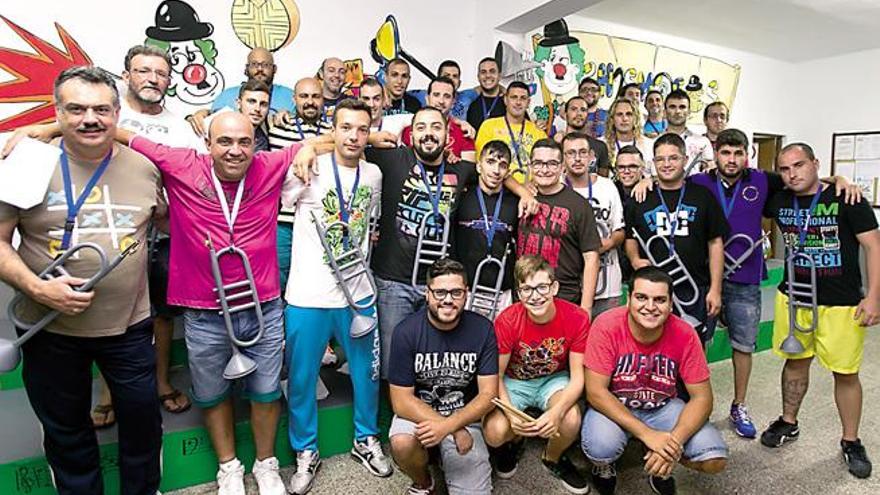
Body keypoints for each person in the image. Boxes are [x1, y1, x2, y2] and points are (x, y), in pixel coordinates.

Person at [120, 112, 315, 495]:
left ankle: (266, 465)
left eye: (244, 141)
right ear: (207, 144)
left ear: (255, 144)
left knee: (266, 390)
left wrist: (308, 147)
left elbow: (328, 139)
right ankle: (228, 467)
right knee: (212, 393)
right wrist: (45, 128)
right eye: (224, 141)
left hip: (262, 307)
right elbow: (121, 135)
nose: (235, 150)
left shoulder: (268, 164)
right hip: (204, 311)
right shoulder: (181, 162)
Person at [0, 66, 163, 495]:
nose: (90, 119)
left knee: (143, 428)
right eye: (75, 109)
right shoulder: (28, 160)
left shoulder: (147, 167)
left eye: (101, 109)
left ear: (117, 113)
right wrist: (37, 287)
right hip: (48, 326)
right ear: (58, 112)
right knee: (67, 433)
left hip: (129, 327)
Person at [281, 99, 391, 494]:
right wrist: (307, 147)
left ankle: (365, 438)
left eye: (362, 129)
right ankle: (305, 451)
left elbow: (369, 225)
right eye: (346, 127)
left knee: (366, 372)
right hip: (308, 292)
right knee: (302, 378)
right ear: (333, 128)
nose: (354, 136)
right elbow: (283, 204)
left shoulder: (375, 174)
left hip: (357, 291)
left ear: (369, 131)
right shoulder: (309, 166)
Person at [761, 143, 880, 479]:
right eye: (784, 169)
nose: (792, 174)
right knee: (795, 362)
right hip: (794, 297)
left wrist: (874, 297)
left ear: (815, 163)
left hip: (840, 303)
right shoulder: (779, 197)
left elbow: (874, 246)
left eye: (799, 165)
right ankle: (789, 421)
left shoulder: (847, 198)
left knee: (845, 372)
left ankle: (851, 440)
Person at [582, 267, 728, 495]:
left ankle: (660, 465)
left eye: (659, 300)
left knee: (714, 459)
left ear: (670, 305)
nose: (650, 307)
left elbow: (703, 398)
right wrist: (647, 434)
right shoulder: (606, 325)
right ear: (628, 299)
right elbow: (595, 392)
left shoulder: (685, 333)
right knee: (601, 448)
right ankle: (605, 467)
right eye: (641, 297)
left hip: (663, 406)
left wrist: (672, 446)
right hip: (615, 405)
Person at [388, 258, 499, 495]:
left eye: (456, 292)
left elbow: (489, 394)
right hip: (419, 414)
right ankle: (423, 482)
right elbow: (401, 401)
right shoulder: (406, 332)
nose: (448, 299)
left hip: (466, 417)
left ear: (466, 294)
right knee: (402, 442)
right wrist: (452, 429)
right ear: (427, 294)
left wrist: (453, 425)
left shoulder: (483, 329)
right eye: (439, 292)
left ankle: (444, 454)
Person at [484, 255, 591, 494]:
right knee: (494, 433)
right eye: (527, 289)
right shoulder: (508, 320)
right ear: (519, 293)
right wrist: (511, 416)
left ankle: (552, 457)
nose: (535, 296)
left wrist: (557, 411)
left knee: (571, 419)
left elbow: (578, 377)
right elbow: (496, 376)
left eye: (542, 287)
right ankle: (514, 442)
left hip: (552, 379)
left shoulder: (577, 317)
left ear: (554, 287)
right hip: (514, 380)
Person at [624, 133, 726, 344]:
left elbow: (715, 244)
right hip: (651, 291)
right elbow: (629, 236)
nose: (667, 164)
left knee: (693, 351)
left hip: (694, 288)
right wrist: (634, 259)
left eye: (673, 158)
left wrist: (716, 289)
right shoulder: (640, 196)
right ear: (653, 163)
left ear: (685, 160)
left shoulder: (703, 196)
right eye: (660, 159)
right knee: (649, 348)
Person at [518, 139, 601, 313]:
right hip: (524, 297)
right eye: (538, 163)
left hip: (565, 299)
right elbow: (500, 176)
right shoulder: (521, 198)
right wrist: (520, 190)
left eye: (552, 164)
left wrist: (586, 308)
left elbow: (591, 258)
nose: (545, 169)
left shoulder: (579, 205)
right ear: (530, 166)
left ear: (563, 167)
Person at [267, 77, 332, 291]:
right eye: (304, 96)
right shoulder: (277, 127)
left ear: (324, 99)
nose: (310, 101)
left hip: (319, 222)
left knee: (315, 282)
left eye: (316, 96)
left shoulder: (333, 128)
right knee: (280, 281)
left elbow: (345, 145)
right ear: (294, 99)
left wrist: (315, 146)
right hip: (284, 221)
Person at [563, 133, 625, 318]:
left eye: (582, 152)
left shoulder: (607, 187)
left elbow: (620, 231)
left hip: (608, 286)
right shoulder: (556, 186)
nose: (577, 158)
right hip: (569, 286)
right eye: (570, 153)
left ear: (591, 156)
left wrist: (604, 244)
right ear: (562, 158)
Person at [454, 140, 519, 317]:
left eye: (502, 165)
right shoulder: (462, 197)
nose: (496, 170)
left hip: (502, 292)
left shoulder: (515, 203)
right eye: (490, 162)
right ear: (478, 166)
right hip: (466, 290)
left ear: (507, 172)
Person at [187, 47, 294, 136]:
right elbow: (211, 120)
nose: (260, 69)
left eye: (265, 65)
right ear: (246, 69)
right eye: (254, 64)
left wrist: (288, 115)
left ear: (274, 69)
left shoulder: (290, 96)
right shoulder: (227, 95)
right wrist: (201, 113)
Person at [475, 81, 548, 182]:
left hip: (532, 190)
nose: (518, 102)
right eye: (514, 97)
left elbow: (545, 168)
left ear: (528, 103)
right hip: (499, 187)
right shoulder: (489, 126)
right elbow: (482, 164)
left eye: (523, 98)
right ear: (505, 100)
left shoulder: (539, 133)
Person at [401, 77, 476, 162]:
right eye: (436, 95)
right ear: (427, 99)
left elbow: (468, 170)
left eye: (447, 96)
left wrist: (455, 164)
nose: (441, 101)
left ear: (453, 102)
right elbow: (404, 164)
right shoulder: (410, 130)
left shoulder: (465, 133)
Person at [554, 96, 611, 175]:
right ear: (565, 114)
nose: (579, 113)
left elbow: (603, 182)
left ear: (587, 115)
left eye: (583, 110)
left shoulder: (600, 146)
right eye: (574, 109)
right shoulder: (555, 144)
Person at [663, 89, 713, 175]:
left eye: (682, 107)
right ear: (664, 112)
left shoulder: (703, 141)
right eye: (672, 107)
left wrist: (711, 167)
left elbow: (710, 168)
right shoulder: (653, 142)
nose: (677, 111)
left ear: (689, 112)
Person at [603, 98, 654, 174]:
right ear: (612, 119)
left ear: (635, 118)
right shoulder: (601, 144)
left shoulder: (650, 145)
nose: (624, 119)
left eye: (629, 114)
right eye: (619, 114)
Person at [466, 57, 506, 132]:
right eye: (483, 72)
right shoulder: (470, 104)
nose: (488, 75)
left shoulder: (509, 104)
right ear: (478, 77)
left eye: (492, 71)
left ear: (499, 76)